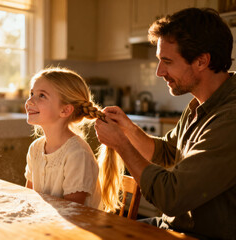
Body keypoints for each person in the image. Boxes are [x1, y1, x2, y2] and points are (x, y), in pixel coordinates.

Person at [95, 8, 236, 240]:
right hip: (170, 225)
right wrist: (127, 129)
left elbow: (171, 197)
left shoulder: (230, 118)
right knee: (99, 229)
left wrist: (121, 145)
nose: (160, 72)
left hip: (197, 235)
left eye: (167, 61)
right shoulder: (199, 104)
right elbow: (167, 152)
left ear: (202, 61)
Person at [24, 67, 124, 211]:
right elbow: (29, 198)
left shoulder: (77, 155)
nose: (29, 101)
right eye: (31, 93)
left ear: (65, 110)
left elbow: (71, 214)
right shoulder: (35, 148)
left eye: (42, 96)